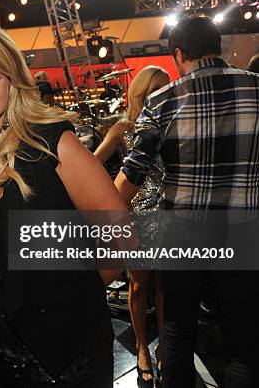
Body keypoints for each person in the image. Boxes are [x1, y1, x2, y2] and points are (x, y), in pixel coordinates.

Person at [0, 21, 126, 387]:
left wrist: (67, 299)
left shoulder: (53, 145)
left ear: (12, 82)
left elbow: (121, 241)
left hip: (66, 364)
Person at [115, 15, 259, 388]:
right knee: (243, 341)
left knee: (178, 331)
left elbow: (132, 176)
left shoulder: (163, 101)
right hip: (245, 232)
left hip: (185, 234)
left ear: (179, 54)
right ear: (219, 46)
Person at [95, 66, 170, 387]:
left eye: (166, 88)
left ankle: (165, 347)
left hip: (168, 215)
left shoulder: (172, 121)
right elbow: (94, 162)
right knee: (139, 286)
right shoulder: (124, 127)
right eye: (157, 89)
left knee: (165, 287)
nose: (164, 94)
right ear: (140, 93)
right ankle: (141, 348)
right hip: (136, 216)